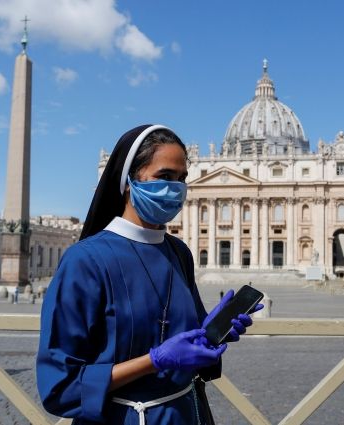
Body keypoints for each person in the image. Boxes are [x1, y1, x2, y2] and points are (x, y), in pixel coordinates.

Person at [37, 125, 261, 424]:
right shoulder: (85, 260)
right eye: (164, 177)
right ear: (128, 181)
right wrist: (153, 362)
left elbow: (184, 347)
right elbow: (60, 387)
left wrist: (210, 335)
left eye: (182, 179)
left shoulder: (179, 252)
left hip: (187, 414)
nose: (176, 189)